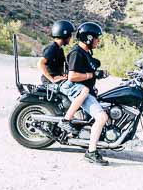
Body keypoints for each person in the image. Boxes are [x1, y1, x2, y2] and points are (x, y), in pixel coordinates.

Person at [59, 22, 110, 165]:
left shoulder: (86, 53)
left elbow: (94, 68)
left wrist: (99, 73)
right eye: (96, 38)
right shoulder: (76, 53)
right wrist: (91, 75)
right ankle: (91, 152)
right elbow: (73, 76)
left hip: (86, 90)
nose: (98, 40)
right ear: (88, 38)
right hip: (77, 89)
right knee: (101, 117)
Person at [38, 20, 75, 85]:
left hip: (57, 78)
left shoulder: (59, 49)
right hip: (49, 81)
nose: (70, 38)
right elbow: (40, 63)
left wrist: (63, 75)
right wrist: (52, 79)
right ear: (65, 35)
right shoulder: (52, 48)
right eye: (70, 35)